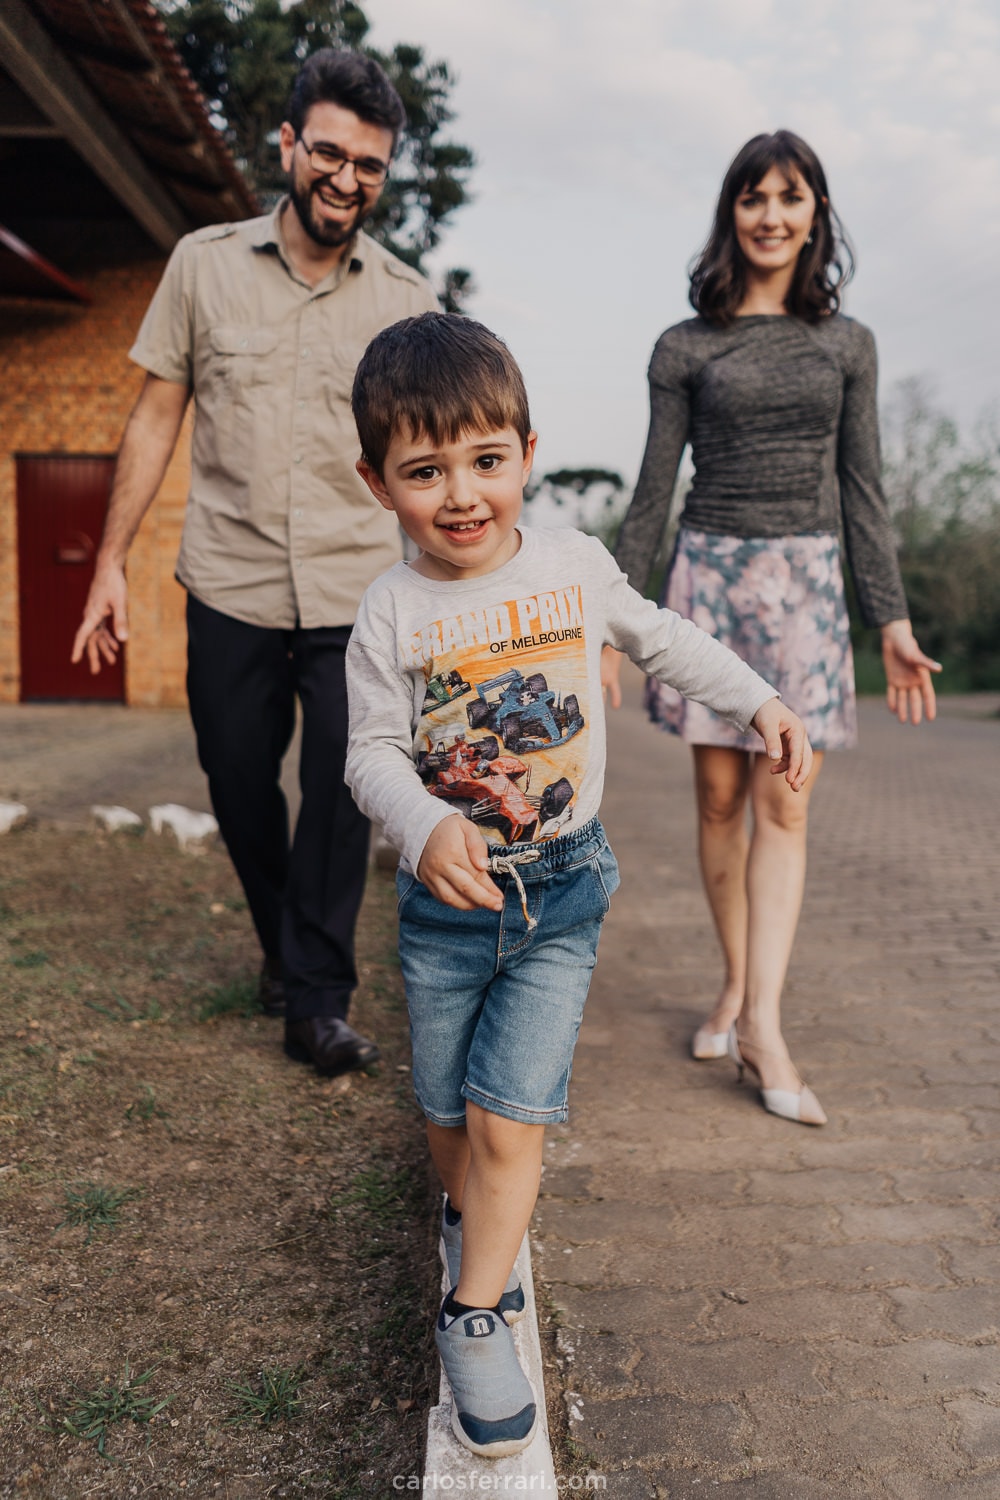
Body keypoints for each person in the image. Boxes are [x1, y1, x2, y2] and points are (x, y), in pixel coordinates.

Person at [343, 311, 812, 1457]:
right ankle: (472, 1233)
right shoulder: (389, 613)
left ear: (525, 452)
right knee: (450, 1118)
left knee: (512, 1118)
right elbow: (367, 756)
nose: (461, 495)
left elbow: (665, 641)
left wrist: (757, 699)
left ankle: (474, 1313)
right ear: (377, 482)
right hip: (447, 909)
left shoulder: (570, 570)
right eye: (424, 471)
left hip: (559, 895)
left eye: (485, 462)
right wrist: (420, 820)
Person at [70, 50, 439, 1077]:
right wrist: (109, 562)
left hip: (353, 589)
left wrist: (453, 590)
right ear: (287, 145)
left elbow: (433, 453)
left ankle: (316, 998)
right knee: (234, 776)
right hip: (228, 578)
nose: (345, 178)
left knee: (339, 789)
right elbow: (154, 418)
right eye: (329, 151)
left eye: (369, 164)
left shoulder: (408, 299)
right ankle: (286, 943)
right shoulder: (203, 264)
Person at [610, 129, 940, 1126]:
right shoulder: (684, 345)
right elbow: (652, 492)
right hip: (707, 579)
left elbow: (862, 491)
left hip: (804, 587)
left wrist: (888, 619)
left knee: (783, 803)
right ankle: (735, 984)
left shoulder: (848, 345)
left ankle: (763, 1022)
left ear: (815, 214)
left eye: (789, 197)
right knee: (719, 802)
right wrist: (611, 622)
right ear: (731, 214)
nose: (770, 215)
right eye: (752, 197)